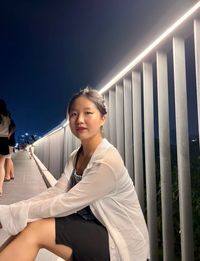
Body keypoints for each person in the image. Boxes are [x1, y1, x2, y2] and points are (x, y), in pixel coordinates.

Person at [0, 88, 149, 261]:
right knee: (27, 224)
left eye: (88, 113)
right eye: (73, 114)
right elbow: (56, 192)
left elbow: (64, 203)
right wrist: (12, 212)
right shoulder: (76, 155)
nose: (79, 120)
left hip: (120, 241)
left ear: (103, 118)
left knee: (36, 229)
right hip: (96, 228)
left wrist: (9, 213)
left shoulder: (107, 162)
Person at [0, 99, 11, 196]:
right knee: (1, 165)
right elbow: (13, 127)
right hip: (4, 141)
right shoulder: (7, 116)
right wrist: (8, 134)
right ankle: (0, 189)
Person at [4, 117, 16, 181]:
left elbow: (13, 128)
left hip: (9, 143)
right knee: (9, 158)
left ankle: (7, 176)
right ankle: (12, 175)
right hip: (11, 142)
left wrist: (8, 135)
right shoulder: (10, 122)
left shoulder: (8, 122)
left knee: (8, 158)